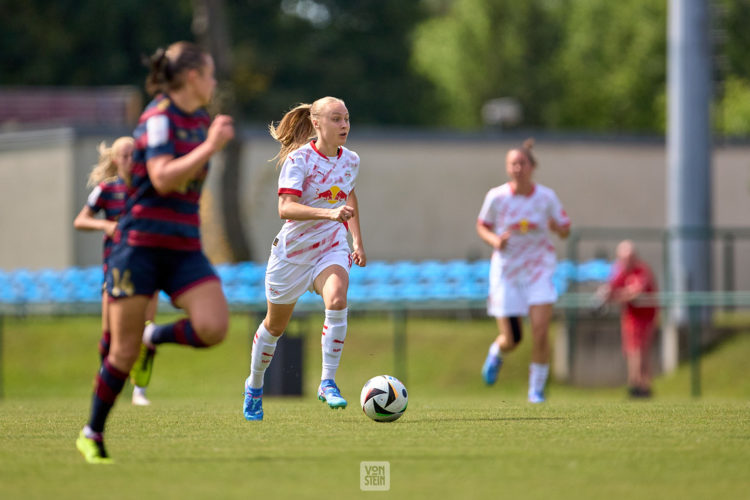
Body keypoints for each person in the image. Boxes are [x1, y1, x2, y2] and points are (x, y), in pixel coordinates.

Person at [76, 41, 234, 464]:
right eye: (211, 73)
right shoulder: (158, 117)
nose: (215, 81)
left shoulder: (199, 119)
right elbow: (163, 178)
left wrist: (208, 141)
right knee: (121, 354)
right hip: (140, 247)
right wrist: (211, 147)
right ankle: (92, 432)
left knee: (214, 327)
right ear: (192, 77)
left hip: (184, 247)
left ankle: (154, 335)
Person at [242, 96, 366, 421]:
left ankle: (327, 382)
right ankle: (254, 384)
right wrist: (328, 213)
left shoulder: (351, 159)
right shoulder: (299, 160)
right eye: (336, 119)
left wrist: (356, 240)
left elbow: (348, 194)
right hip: (293, 254)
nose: (344, 125)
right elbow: (285, 208)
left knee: (337, 299)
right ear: (317, 123)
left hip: (330, 248)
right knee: (274, 327)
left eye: (347, 119)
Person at [476, 138, 571, 403]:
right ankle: (497, 350)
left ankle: (536, 390)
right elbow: (482, 225)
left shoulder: (546, 197)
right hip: (507, 271)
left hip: (539, 268)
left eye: (522, 163)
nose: (518, 168)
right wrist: (496, 241)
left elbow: (565, 229)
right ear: (508, 168)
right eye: (513, 164)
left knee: (541, 330)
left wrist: (557, 228)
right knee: (513, 338)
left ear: (532, 166)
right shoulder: (496, 197)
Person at [73, 137, 159, 407]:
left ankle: (140, 390)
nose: (130, 160)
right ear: (115, 160)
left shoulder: (151, 188)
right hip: (116, 268)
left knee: (146, 331)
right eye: (124, 155)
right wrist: (106, 227)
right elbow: (81, 220)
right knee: (111, 334)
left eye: (134, 155)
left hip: (147, 267)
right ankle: (107, 384)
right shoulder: (106, 190)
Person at [595, 240, 658, 398]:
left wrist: (614, 297)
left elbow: (634, 293)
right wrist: (605, 294)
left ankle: (642, 384)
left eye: (628, 257)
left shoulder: (641, 270)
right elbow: (611, 287)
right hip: (630, 316)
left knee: (641, 350)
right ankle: (635, 383)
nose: (625, 261)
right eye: (623, 258)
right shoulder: (620, 270)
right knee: (632, 349)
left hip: (646, 316)